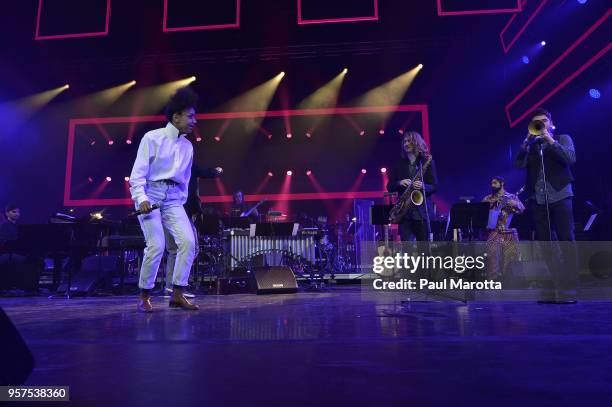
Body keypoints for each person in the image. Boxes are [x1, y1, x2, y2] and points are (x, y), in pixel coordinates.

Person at [129, 87, 200, 312]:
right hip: (151, 194)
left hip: (173, 200)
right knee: (157, 244)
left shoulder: (188, 146)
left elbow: (185, 180)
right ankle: (144, 295)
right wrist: (141, 197)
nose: (194, 121)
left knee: (189, 242)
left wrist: (180, 201)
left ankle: (177, 294)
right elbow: (137, 174)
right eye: (190, 116)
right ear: (176, 116)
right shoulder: (153, 138)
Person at [514, 107, 577, 303]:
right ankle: (553, 285)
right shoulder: (532, 146)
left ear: (551, 123)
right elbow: (518, 165)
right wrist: (526, 142)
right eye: (536, 122)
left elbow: (570, 158)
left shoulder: (562, 138)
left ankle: (569, 287)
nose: (540, 124)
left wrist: (550, 140)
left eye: (543, 121)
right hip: (538, 199)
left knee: (566, 240)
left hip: (560, 195)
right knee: (545, 243)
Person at [164, 163, 222, 297]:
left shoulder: (167, 167)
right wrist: (217, 170)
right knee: (191, 249)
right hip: (182, 213)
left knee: (174, 250)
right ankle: (179, 286)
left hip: (166, 211)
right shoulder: (188, 165)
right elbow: (208, 172)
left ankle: (170, 287)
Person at [386, 131, 438, 242]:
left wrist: (423, 186)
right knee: (407, 252)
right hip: (405, 215)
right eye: (404, 141)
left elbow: (435, 186)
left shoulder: (426, 162)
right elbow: (389, 186)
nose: (406, 144)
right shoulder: (399, 164)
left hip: (423, 214)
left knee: (424, 252)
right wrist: (400, 182)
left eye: (409, 141)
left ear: (416, 143)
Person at [482, 176, 525, 280]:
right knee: (492, 257)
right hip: (494, 231)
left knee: (512, 258)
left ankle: (511, 282)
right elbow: (481, 214)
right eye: (491, 183)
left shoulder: (511, 196)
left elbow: (522, 209)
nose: (492, 185)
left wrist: (515, 204)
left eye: (495, 183)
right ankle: (492, 282)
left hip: (509, 232)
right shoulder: (487, 198)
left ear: (502, 183)